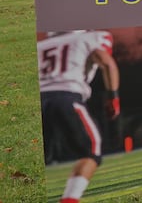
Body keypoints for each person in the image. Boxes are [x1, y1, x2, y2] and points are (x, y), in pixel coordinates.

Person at [38, 29, 120, 203]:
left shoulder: (41, 45)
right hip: (66, 96)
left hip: (37, 100)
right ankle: (70, 199)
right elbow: (107, 63)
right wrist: (113, 97)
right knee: (91, 149)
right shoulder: (86, 38)